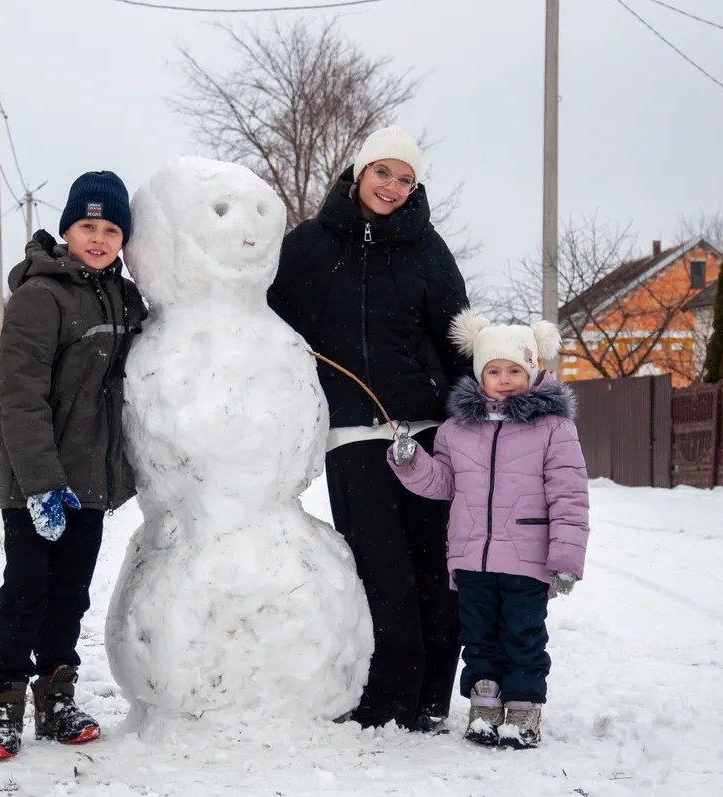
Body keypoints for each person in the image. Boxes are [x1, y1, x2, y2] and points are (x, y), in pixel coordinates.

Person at [267, 125, 469, 731]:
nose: (393, 187)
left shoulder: (428, 250)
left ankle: (432, 699)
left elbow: (457, 336)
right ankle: (388, 697)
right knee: (381, 571)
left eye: (406, 179)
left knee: (437, 571)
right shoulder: (308, 246)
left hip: (428, 433)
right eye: (384, 172)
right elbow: (270, 320)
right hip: (354, 435)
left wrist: (475, 418)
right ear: (359, 173)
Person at [0, 171, 146, 760]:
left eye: (110, 229)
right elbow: (19, 399)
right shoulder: (38, 296)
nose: (98, 238)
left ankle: (55, 697)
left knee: (70, 594)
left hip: (91, 482)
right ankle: (2, 708)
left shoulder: (126, 301)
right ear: (67, 229)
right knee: (26, 590)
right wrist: (42, 484)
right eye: (87, 226)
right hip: (36, 482)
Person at [387, 312, 590, 749]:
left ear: (532, 371)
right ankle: (484, 706)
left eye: (514, 370)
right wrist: (412, 462)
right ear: (479, 375)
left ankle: (523, 708)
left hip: (527, 560)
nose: (504, 379)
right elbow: (443, 482)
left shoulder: (554, 428)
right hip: (472, 558)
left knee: (523, 635)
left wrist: (566, 560)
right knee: (478, 637)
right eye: (493, 370)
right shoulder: (457, 429)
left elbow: (570, 497)